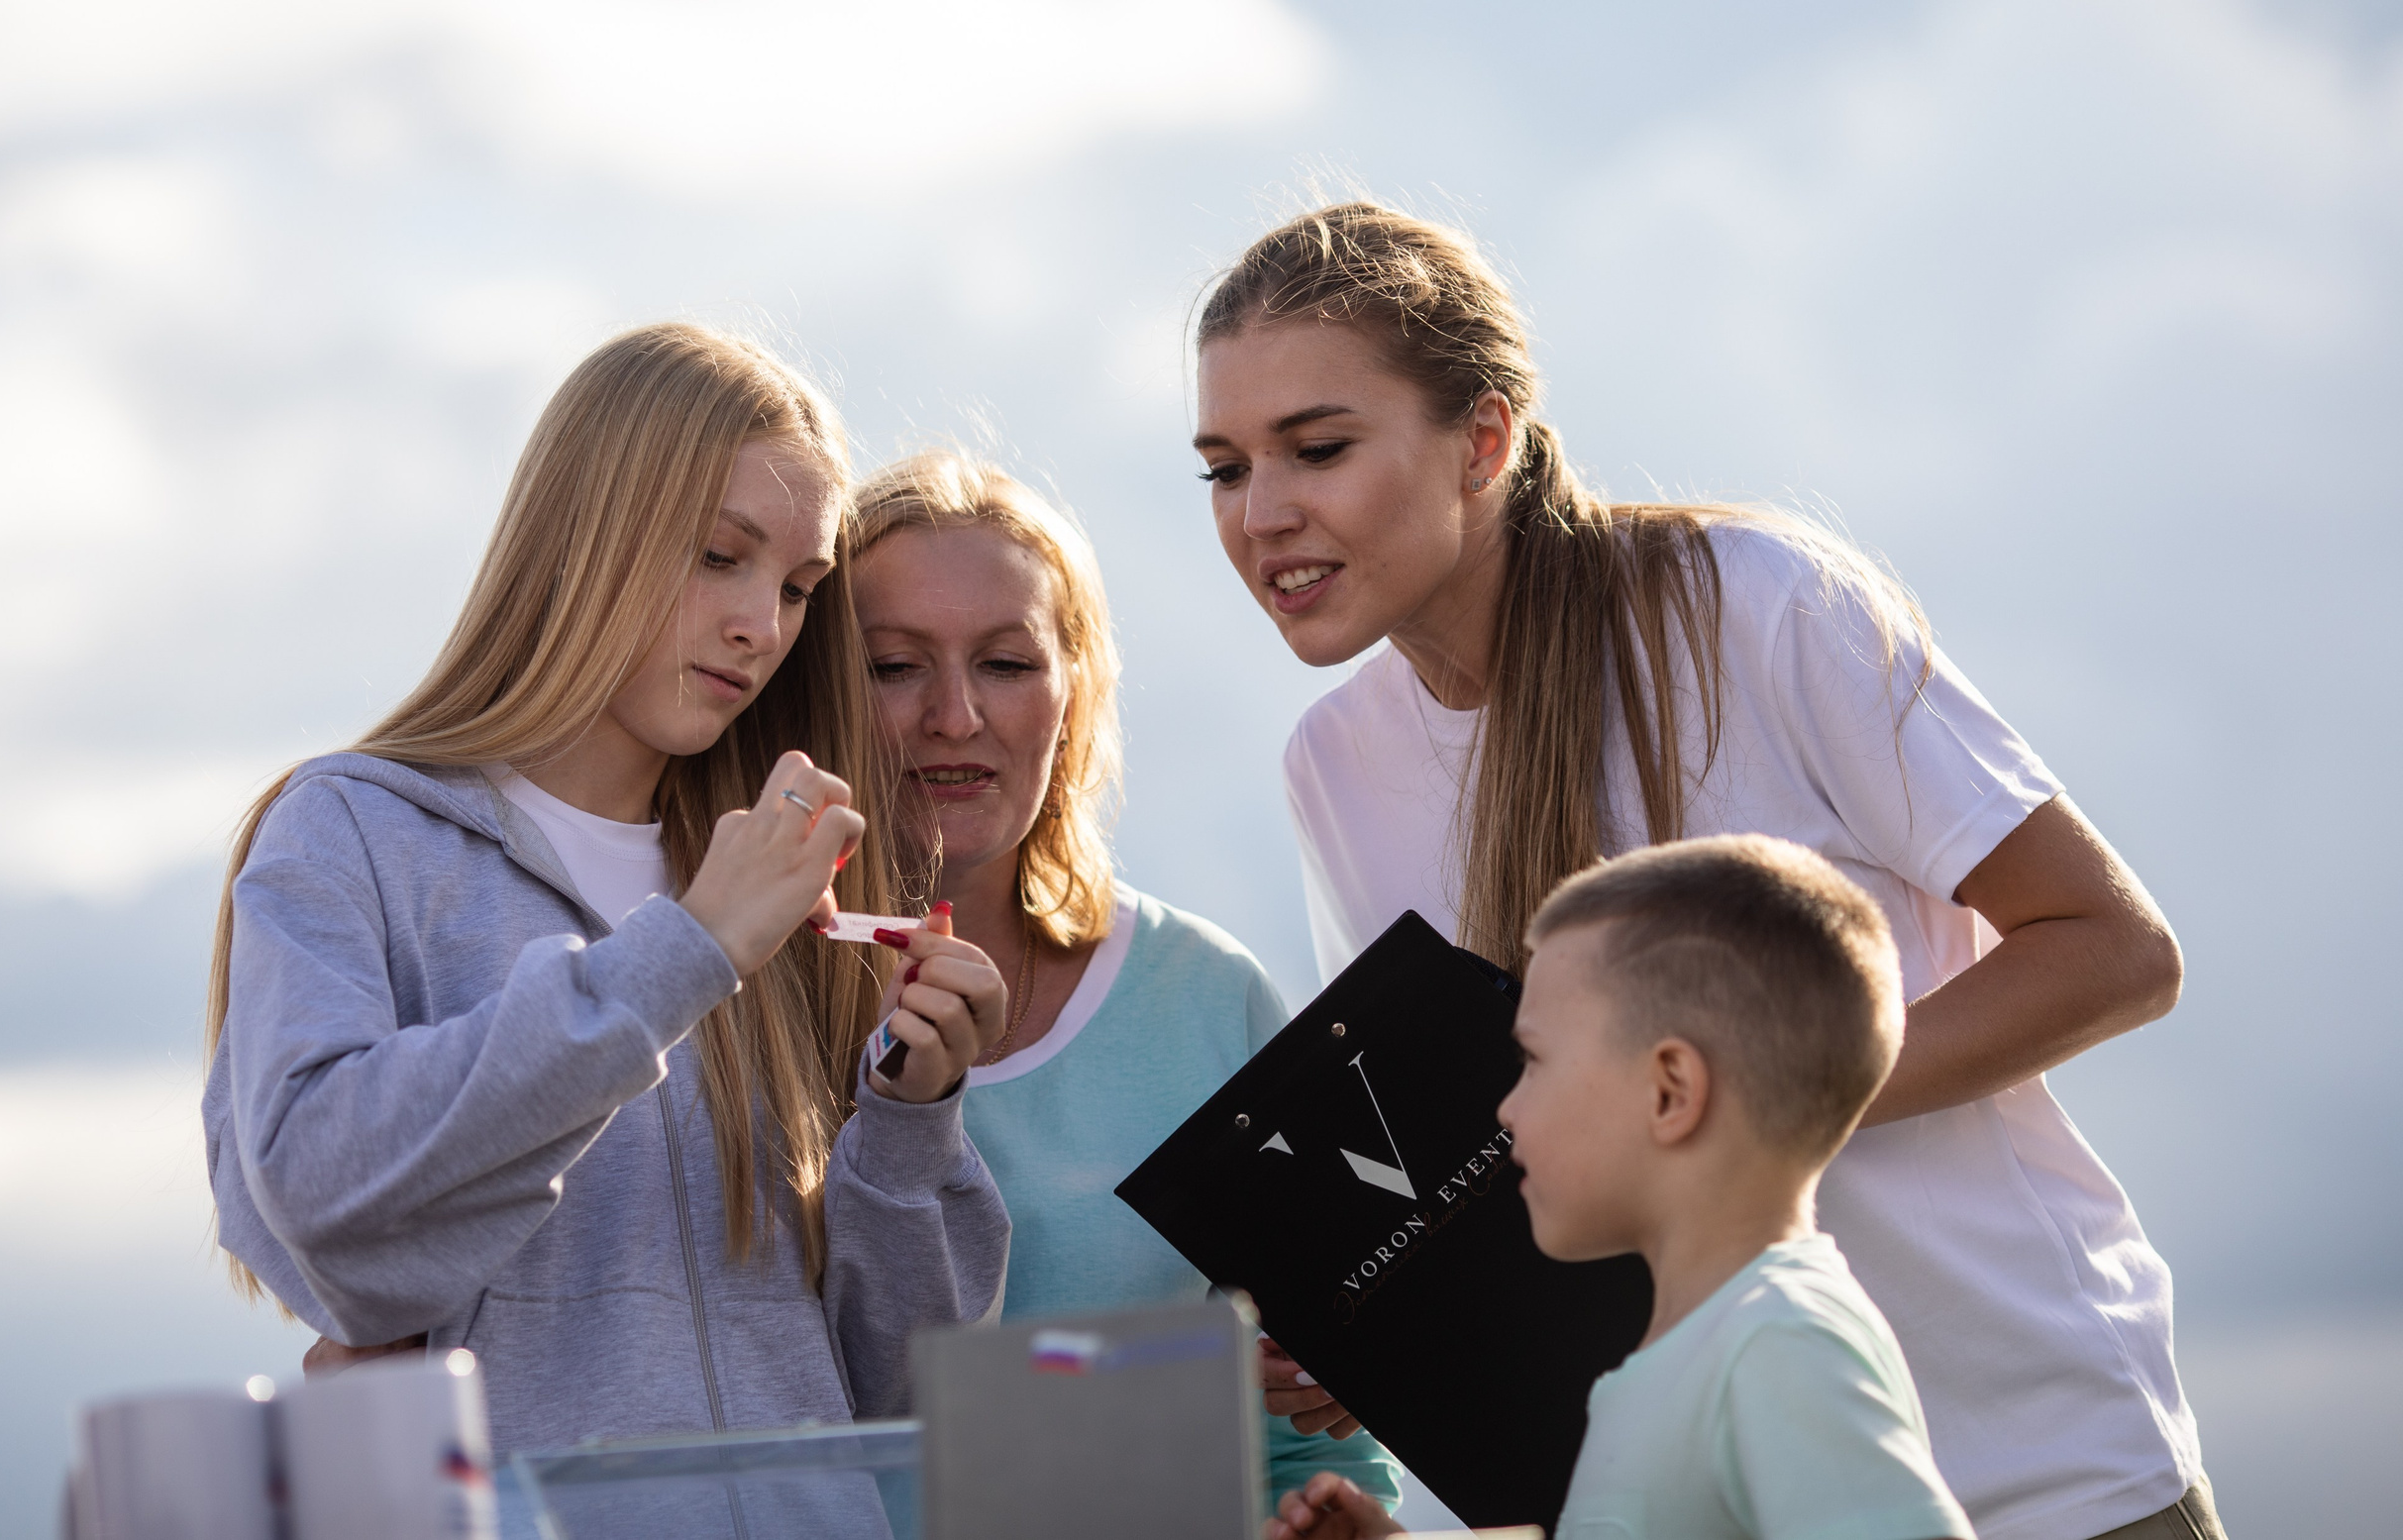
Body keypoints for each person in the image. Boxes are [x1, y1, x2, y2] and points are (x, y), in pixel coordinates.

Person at [1193, 202, 2226, 1540]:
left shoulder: (1762, 602)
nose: (1264, 513)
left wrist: (1753, 1112)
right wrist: (1380, 1324)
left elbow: (2114, 947)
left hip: (2036, 1471)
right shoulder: (1329, 763)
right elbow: (1497, 1144)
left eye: (1317, 448)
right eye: (1222, 468)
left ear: (1483, 438)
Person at [201, 324, 1010, 1464]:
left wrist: (912, 1117)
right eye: (718, 555)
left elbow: (903, 1396)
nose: (760, 626)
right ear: (588, 531)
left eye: (795, 587)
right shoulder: (350, 831)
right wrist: (684, 952)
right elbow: (321, 1206)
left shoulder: (784, 890)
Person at [846, 449, 1402, 1512]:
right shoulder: (739, 1010)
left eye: (1006, 664)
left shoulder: (1212, 998)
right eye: (892, 666)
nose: (953, 716)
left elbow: (1317, 1431)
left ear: (1075, 691)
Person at [1268, 835, 1974, 1540]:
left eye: (1533, 1061)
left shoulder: (1779, 1344)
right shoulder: (1681, 1361)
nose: (1506, 1107)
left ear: (1669, 1092)